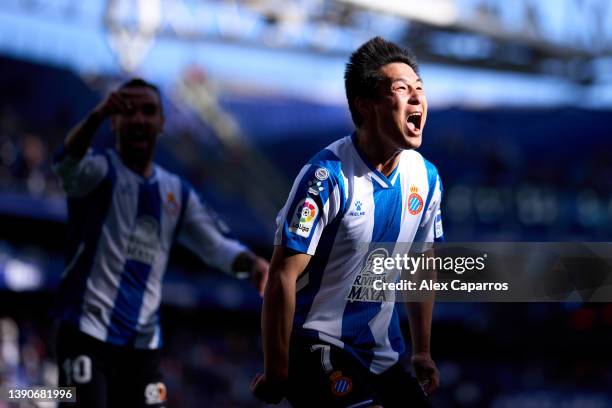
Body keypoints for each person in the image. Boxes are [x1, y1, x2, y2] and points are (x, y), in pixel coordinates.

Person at [52, 78, 269, 408]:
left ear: (162, 123)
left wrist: (253, 265)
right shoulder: (97, 173)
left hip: (143, 345)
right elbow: (65, 163)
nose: (139, 118)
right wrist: (95, 115)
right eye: (129, 111)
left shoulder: (176, 192)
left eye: (149, 111)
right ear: (115, 120)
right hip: (86, 333)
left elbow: (216, 245)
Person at [251, 37, 443, 407]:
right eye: (402, 89)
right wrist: (277, 371)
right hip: (317, 344)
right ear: (365, 106)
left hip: (383, 355)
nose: (417, 98)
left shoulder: (427, 178)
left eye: (420, 89)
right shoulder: (326, 177)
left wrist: (422, 350)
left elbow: (421, 267)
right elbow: (282, 276)